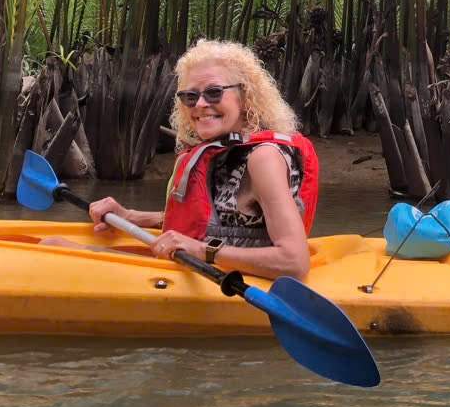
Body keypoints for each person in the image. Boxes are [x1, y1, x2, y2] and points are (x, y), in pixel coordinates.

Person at [84, 39, 318, 278]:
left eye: (214, 93)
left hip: (230, 283)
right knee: (56, 244)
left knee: (59, 247)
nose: (200, 104)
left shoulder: (263, 158)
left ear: (245, 96)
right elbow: (211, 221)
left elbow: (294, 262)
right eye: (190, 96)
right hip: (198, 270)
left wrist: (201, 250)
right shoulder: (225, 152)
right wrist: (130, 216)